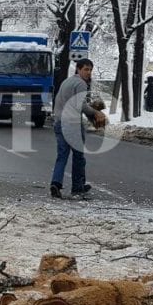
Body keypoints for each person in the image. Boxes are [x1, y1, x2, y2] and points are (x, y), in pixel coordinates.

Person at [50, 58, 107, 199]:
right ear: (78, 69)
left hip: (59, 122)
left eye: (90, 70)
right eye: (86, 69)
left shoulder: (67, 82)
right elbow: (80, 106)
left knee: (62, 156)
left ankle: (56, 183)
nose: (88, 72)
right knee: (78, 157)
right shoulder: (81, 84)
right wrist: (96, 112)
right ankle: (78, 188)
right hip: (72, 125)